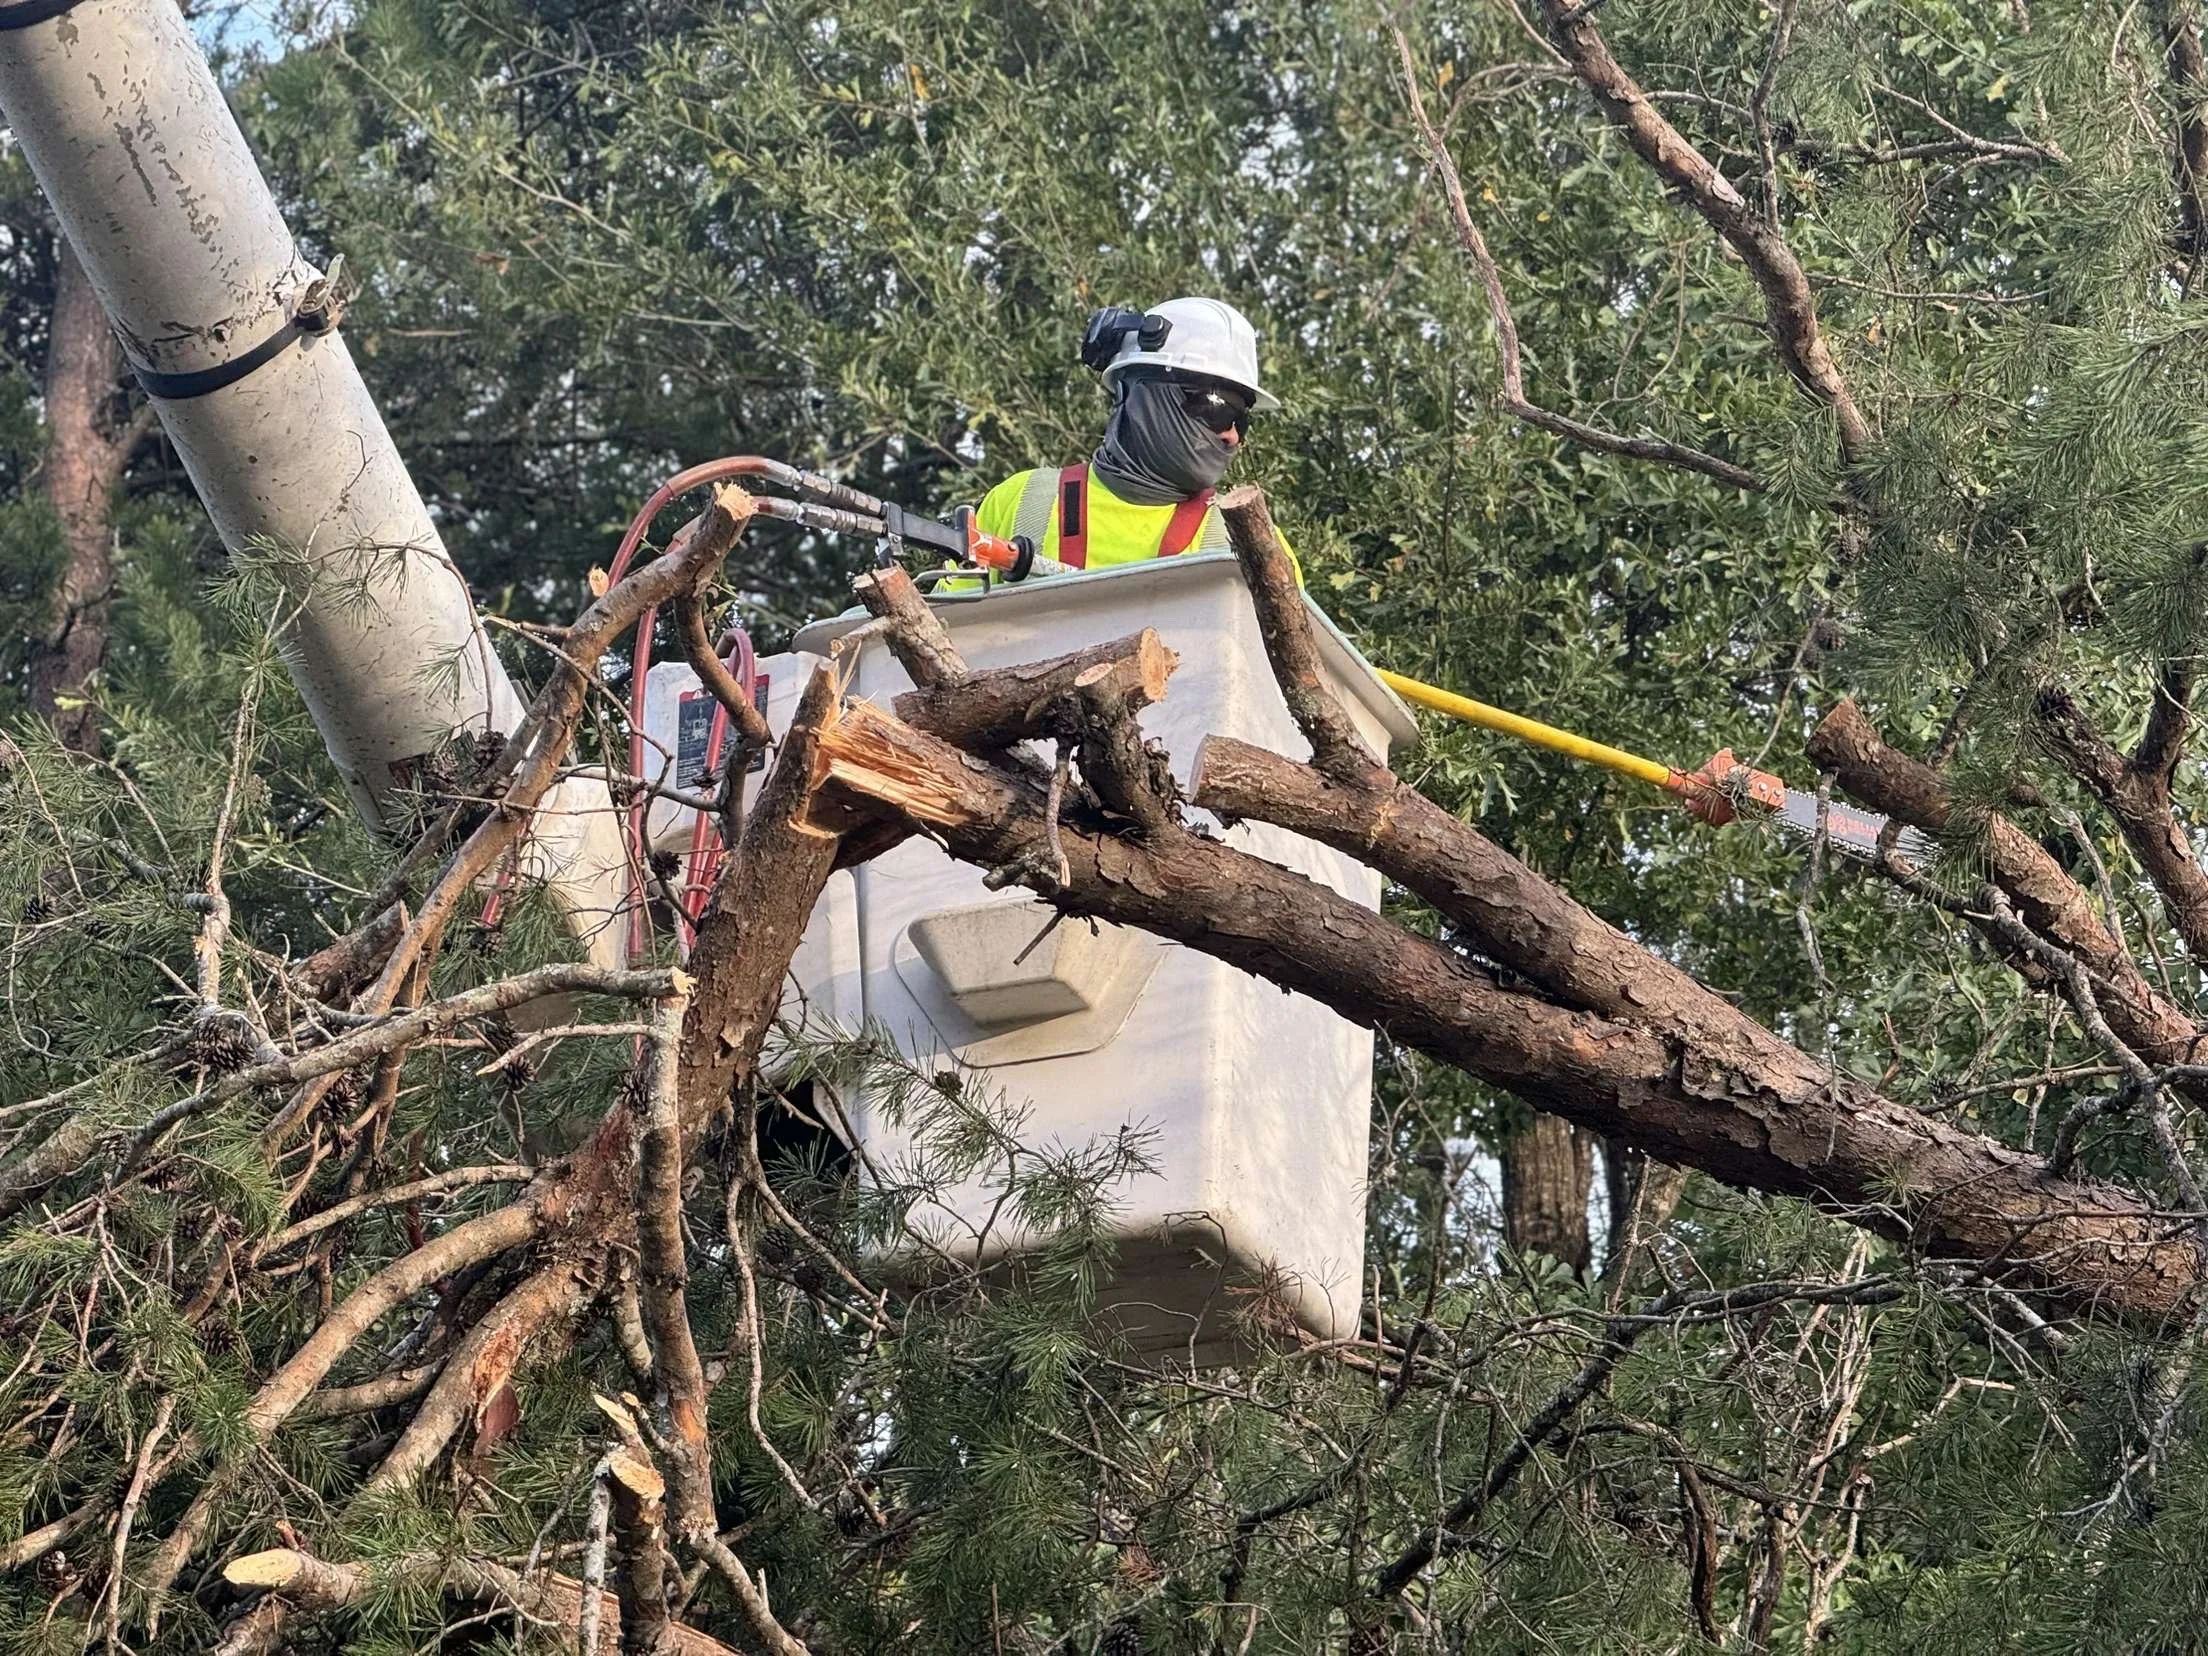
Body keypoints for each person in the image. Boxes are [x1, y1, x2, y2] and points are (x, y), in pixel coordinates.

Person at [973, 296, 1283, 571]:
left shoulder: (1252, 543)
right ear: (1139, 394)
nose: (1233, 436)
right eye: (1217, 409)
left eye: (1241, 420)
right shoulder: (1024, 502)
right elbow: (951, 627)